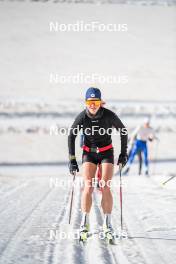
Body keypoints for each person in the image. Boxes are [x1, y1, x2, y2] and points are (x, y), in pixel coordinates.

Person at [68, 87, 128, 241]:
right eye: (90, 102)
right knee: (88, 186)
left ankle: (107, 224)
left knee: (105, 185)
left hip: (107, 152)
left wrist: (123, 154)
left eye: (95, 102)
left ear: (100, 102)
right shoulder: (82, 117)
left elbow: (123, 131)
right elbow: (71, 135)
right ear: (86, 102)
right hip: (89, 153)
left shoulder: (109, 115)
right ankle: (84, 223)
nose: (92, 105)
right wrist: (72, 159)